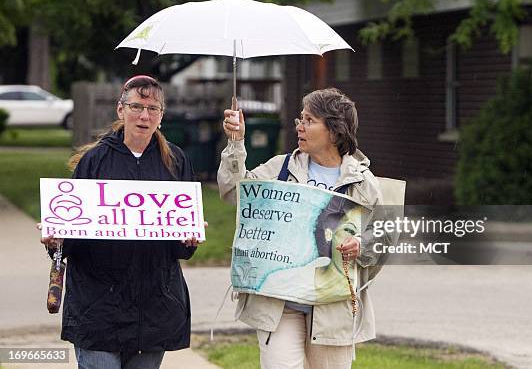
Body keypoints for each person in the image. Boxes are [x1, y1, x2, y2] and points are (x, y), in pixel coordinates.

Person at [218, 87, 389, 369]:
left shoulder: (362, 182)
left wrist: (362, 245)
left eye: (309, 120)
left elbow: (384, 238)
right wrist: (236, 144)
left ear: (334, 131)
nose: (300, 126)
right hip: (280, 306)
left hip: (334, 310)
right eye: (300, 119)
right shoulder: (281, 169)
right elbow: (234, 192)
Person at [41, 75, 203, 369]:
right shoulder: (94, 161)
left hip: (154, 308)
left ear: (162, 116)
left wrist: (188, 240)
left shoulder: (176, 162)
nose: (144, 115)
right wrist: (57, 241)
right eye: (137, 106)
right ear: (120, 110)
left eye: (153, 108)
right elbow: (71, 239)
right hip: (98, 308)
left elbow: (179, 250)